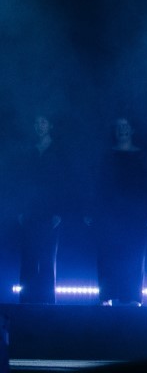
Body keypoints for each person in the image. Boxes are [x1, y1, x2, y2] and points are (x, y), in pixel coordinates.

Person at [94, 117, 147, 307]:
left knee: (134, 254)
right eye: (119, 126)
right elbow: (99, 184)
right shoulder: (107, 155)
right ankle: (106, 296)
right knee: (108, 253)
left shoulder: (141, 155)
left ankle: (132, 297)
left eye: (126, 126)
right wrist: (95, 210)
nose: (122, 129)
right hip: (110, 212)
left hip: (135, 213)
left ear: (132, 130)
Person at [15, 115, 66, 304]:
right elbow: (21, 180)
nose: (39, 126)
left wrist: (59, 211)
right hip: (30, 209)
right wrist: (20, 210)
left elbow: (64, 182)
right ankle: (25, 302)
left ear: (50, 125)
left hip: (50, 211)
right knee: (28, 256)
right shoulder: (29, 150)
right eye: (36, 122)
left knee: (47, 257)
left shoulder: (59, 150)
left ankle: (47, 302)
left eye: (43, 122)